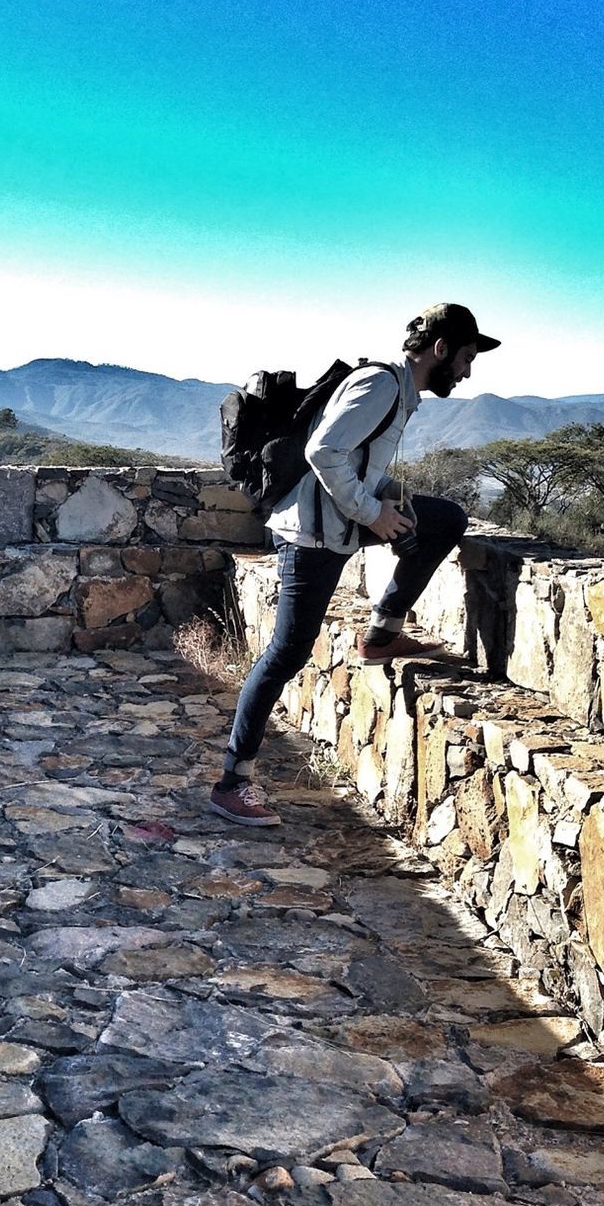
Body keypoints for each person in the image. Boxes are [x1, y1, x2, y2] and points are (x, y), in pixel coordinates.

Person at [209, 302, 500, 827]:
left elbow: (355, 460)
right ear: (440, 350)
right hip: (313, 535)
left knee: (441, 518)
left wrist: (390, 497)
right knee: (286, 652)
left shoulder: (399, 393)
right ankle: (233, 781)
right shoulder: (382, 386)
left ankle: (384, 633)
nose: (467, 370)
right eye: (465, 357)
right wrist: (373, 513)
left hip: (338, 521)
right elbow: (324, 451)